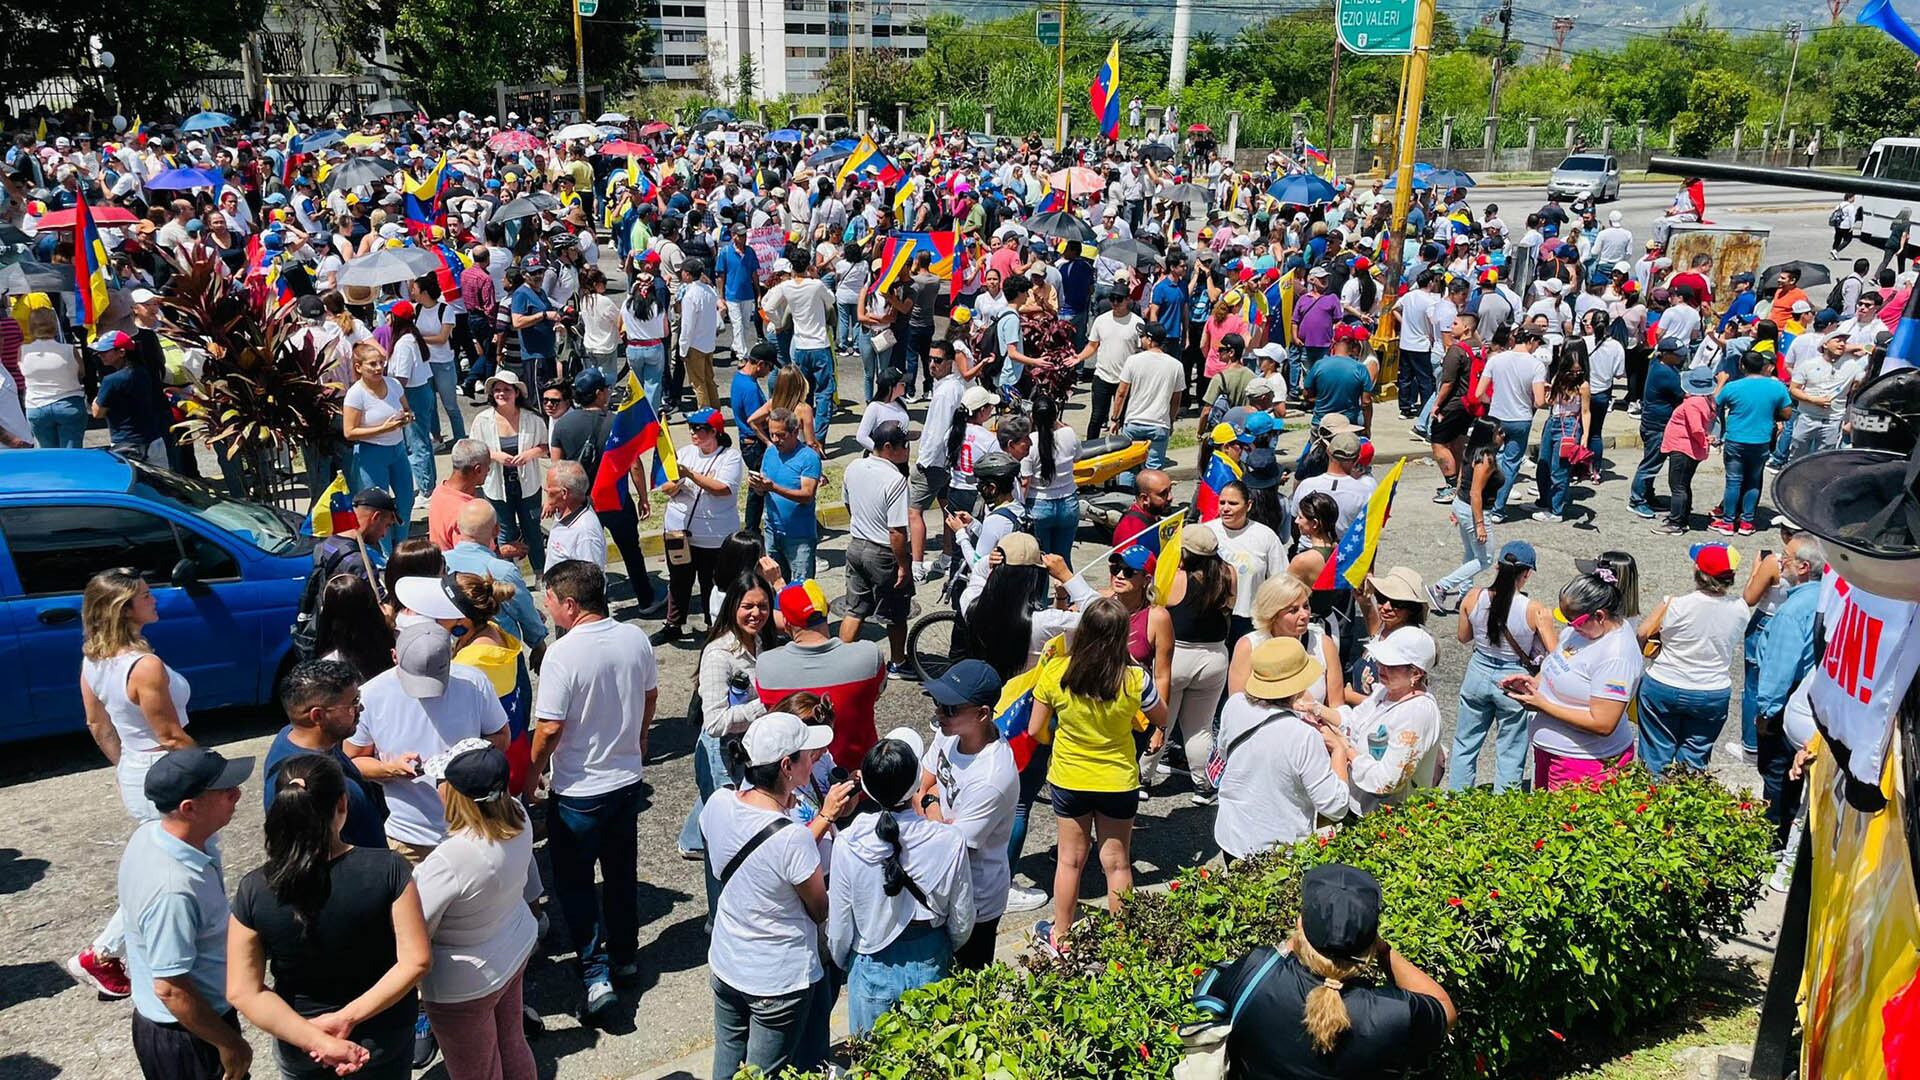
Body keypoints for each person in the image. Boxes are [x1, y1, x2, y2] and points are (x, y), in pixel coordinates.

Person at [227, 752, 430, 1079]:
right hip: (381, 1035)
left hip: (302, 1043)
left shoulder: (254, 888)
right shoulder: (388, 869)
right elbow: (416, 961)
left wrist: (315, 1038)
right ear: (343, 804)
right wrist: (348, 1017)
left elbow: (242, 990)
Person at [528, 559, 659, 1018]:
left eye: (547, 599)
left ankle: (594, 971)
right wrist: (640, 738)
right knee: (621, 876)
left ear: (569, 604)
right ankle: (625, 957)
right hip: (625, 784)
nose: (545, 607)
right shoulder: (635, 638)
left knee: (577, 886)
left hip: (578, 792)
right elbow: (650, 694)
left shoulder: (563, 655)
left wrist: (531, 774)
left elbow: (548, 728)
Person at [1192, 864, 1455, 1077]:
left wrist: (1288, 946)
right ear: (1371, 942)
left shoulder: (1258, 971)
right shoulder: (1393, 1012)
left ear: (1300, 924)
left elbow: (1210, 993)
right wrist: (1385, 952)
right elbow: (1446, 1009)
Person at [71, 568, 197, 1000]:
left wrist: (128, 766)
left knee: (165, 866)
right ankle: (104, 951)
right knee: (185, 865)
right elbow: (170, 735)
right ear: (125, 609)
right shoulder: (143, 665)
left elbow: (96, 723)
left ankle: (115, 951)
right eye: (146, 595)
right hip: (166, 772)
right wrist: (210, 771)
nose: (155, 598)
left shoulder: (94, 659)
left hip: (136, 768)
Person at [702, 712, 844, 1079]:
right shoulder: (791, 838)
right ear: (786, 766)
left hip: (727, 960)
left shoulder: (718, 803)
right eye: (806, 755)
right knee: (765, 1073)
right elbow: (819, 907)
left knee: (728, 1060)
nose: (814, 758)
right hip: (777, 981)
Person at [1029, 597, 1169, 951]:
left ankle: (1061, 935)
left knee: (1070, 860)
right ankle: (1123, 943)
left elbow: (1034, 730)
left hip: (1069, 777)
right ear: (1123, 636)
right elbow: (1162, 717)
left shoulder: (1056, 672)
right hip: (1118, 779)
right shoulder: (1135, 679)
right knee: (1118, 863)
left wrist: (1055, 735)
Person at [117, 748, 256, 1080]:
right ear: (189, 808)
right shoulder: (173, 889)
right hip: (188, 1034)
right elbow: (170, 989)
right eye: (225, 791)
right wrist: (232, 1046)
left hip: (194, 1022)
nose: (237, 794)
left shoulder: (153, 834)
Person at [828, 732, 975, 1034]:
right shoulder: (950, 840)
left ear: (866, 786)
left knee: (871, 1064)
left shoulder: (847, 842)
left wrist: (850, 961)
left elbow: (840, 927)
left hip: (871, 964)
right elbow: (962, 918)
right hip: (931, 956)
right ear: (916, 782)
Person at [413, 741, 542, 1080]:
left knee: (478, 1072)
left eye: (443, 784)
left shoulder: (450, 859)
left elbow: (415, 926)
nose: (438, 789)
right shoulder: (518, 814)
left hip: (465, 983)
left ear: (459, 797)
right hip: (512, 949)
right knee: (513, 1042)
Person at [917, 660, 1020, 971]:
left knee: (967, 992)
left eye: (949, 708)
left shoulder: (992, 777)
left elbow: (953, 848)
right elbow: (921, 785)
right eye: (938, 702)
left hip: (975, 901)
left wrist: (926, 802)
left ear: (982, 714)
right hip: (940, 887)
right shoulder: (949, 731)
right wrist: (931, 805)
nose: (939, 713)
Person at [1502, 569, 1643, 789]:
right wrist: (1534, 684)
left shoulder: (1616, 655)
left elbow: (1603, 723)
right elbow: (1558, 663)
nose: (1570, 627)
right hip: (1554, 752)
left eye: (1575, 621)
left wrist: (1543, 705)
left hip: (1585, 762)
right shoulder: (1582, 631)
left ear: (1599, 616)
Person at [1213, 638, 1350, 862]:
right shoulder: (1303, 735)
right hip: (1280, 849)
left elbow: (1224, 752)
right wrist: (1339, 751)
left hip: (1232, 835)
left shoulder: (1234, 704)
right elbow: (1335, 805)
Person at [683, 575, 777, 871]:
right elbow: (715, 722)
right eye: (748, 606)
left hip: (749, 746)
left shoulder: (762, 640)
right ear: (732, 605)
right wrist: (766, 706)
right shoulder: (718, 654)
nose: (756, 614)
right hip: (721, 752)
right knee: (724, 823)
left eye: (763, 606)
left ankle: (690, 840)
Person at [1633, 543, 1750, 775]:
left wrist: (1648, 653)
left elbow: (1642, 633)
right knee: (1695, 760)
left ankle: (1652, 803)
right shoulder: (1740, 608)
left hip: (1664, 683)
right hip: (1712, 690)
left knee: (1655, 756)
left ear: (1697, 570)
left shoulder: (1674, 604)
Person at [1448, 542, 1554, 793]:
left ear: (1497, 567)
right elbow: (1556, 654)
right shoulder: (1533, 609)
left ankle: (1455, 804)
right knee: (1511, 750)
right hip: (1513, 678)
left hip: (1478, 671)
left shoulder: (1473, 596)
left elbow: (1463, 637)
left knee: (1465, 744)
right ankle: (1502, 810)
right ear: (1527, 573)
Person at [1140, 529, 1236, 802]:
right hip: (1214, 657)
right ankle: (1202, 786)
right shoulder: (1228, 575)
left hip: (1176, 655)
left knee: (1161, 721)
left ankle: (1143, 779)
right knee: (1201, 727)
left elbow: (1153, 605)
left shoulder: (1173, 578)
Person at [1304, 627, 1442, 815]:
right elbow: (1353, 721)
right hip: (1358, 803)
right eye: (1380, 661)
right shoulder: (1385, 690)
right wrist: (1316, 708)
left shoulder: (1417, 713)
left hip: (1387, 819)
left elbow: (1387, 781)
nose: (1380, 668)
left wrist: (1346, 751)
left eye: (1390, 665)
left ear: (1416, 673)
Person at [758, 581, 890, 769]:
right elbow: (876, 694)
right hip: (860, 778)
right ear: (827, 609)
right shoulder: (869, 655)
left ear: (786, 623)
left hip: (799, 783)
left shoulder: (766, 666)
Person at [1749, 533, 1826, 849]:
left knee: (1778, 775)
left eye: (1786, 557)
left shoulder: (1791, 612)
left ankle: (1772, 841)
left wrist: (1766, 712)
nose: (1779, 561)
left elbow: (1779, 669)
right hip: (1811, 699)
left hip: (1785, 705)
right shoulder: (1824, 597)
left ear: (1804, 567)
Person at [263, 660, 390, 849]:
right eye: (353, 702)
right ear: (318, 716)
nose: (360, 709)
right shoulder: (305, 781)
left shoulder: (298, 736)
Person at [654, 407, 745, 646]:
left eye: (699, 429)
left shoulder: (730, 457)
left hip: (714, 536)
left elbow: (722, 489)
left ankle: (712, 624)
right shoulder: (685, 453)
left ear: (714, 431)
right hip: (679, 531)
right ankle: (673, 624)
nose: (693, 433)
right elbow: (666, 485)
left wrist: (690, 476)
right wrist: (676, 485)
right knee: (678, 580)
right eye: (691, 428)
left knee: (712, 583)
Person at [840, 420, 913, 673]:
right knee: (895, 613)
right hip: (883, 553)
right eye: (904, 445)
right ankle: (898, 662)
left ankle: (840, 663)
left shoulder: (854, 467)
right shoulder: (895, 480)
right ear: (888, 447)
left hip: (856, 546)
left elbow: (848, 504)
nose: (908, 450)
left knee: (855, 610)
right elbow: (896, 531)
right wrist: (903, 564)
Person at [443, 501, 548, 655]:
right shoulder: (503, 571)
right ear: (496, 530)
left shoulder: (441, 563)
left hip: (457, 650)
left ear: (457, 527)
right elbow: (526, 613)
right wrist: (538, 643)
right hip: (500, 652)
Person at [471, 371, 549, 570]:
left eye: (507, 389)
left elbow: (546, 446)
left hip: (528, 485)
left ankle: (540, 572)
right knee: (504, 532)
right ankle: (508, 573)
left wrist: (530, 454)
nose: (501, 394)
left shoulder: (532, 419)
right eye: (497, 390)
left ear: (516, 393)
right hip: (497, 486)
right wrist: (495, 456)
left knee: (532, 530)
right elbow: (472, 449)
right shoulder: (482, 420)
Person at [342, 344, 416, 542]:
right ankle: (384, 553)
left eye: (381, 363)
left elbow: (406, 408)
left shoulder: (393, 384)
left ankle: (402, 544)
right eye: (372, 364)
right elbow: (349, 432)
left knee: (406, 499)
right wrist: (384, 429)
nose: (378, 368)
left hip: (397, 450)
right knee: (377, 507)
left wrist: (408, 417)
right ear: (359, 367)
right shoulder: (356, 394)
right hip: (371, 454)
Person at [1713, 349, 1792, 536]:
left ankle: (1728, 522)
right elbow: (1787, 413)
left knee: (1733, 481)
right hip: (1762, 440)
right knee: (1753, 481)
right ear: (1764, 366)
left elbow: (1714, 404)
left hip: (1736, 439)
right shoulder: (1777, 387)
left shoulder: (1733, 387)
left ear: (1742, 366)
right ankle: (1747, 522)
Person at [1478, 327, 1547, 521]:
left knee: (1492, 460)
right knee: (1510, 464)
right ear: (1531, 340)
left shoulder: (1496, 359)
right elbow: (1539, 401)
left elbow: (1479, 393)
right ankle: (1497, 509)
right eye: (1538, 342)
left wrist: (1493, 402)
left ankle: (1485, 502)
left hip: (1497, 417)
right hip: (1520, 418)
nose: (1537, 347)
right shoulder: (1536, 365)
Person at [1207, 480, 1288, 644]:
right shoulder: (1206, 532)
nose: (1225, 508)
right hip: (1212, 619)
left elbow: (1280, 581)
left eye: (1233, 503)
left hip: (1250, 620)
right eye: (1222, 502)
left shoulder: (1265, 536)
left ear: (1248, 505)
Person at [753, 407, 824, 582]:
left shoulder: (808, 458)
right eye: (772, 434)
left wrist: (773, 488)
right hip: (772, 532)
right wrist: (758, 487)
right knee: (775, 584)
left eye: (781, 435)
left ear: (795, 432)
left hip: (800, 537)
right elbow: (764, 487)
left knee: (802, 588)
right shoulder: (770, 452)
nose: (776, 440)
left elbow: (807, 495)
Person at [1109, 323, 1185, 473]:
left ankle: (1126, 494)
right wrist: (1171, 419)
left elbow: (1121, 393)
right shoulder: (1176, 365)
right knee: (1153, 470)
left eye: (1142, 336)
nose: (1141, 340)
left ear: (1149, 340)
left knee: (1128, 468)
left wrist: (1115, 419)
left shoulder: (1133, 361)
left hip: (1134, 422)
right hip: (1159, 424)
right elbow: (1176, 399)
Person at [1654, 367, 1720, 534]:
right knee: (1683, 484)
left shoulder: (1693, 403)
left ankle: (1677, 522)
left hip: (1683, 448)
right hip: (1688, 449)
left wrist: (1703, 440)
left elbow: (1696, 429)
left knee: (1677, 486)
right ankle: (1681, 515)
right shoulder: (1706, 400)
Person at [1530, 340, 1590, 523]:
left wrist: (1585, 436)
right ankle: (1544, 501)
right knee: (1543, 464)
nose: (1575, 374)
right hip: (1553, 422)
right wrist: (1548, 391)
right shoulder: (1558, 378)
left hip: (1570, 426)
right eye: (1571, 371)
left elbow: (1586, 412)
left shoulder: (1583, 386)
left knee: (1559, 470)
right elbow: (1549, 403)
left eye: (1578, 371)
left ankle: (1556, 510)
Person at [90, 330, 168, 466]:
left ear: (121, 352)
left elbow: (97, 413)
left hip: (126, 444)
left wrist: (97, 398)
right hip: (153, 440)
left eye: (105, 352)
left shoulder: (111, 380)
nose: (99, 355)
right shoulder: (143, 372)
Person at [1627, 345, 1687, 519]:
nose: (1680, 358)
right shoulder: (1665, 373)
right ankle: (1637, 500)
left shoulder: (1657, 363)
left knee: (1653, 461)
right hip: (1657, 426)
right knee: (1650, 464)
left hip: (1653, 423)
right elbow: (1682, 393)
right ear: (1666, 355)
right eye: (1677, 355)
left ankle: (1647, 494)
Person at [1022, 394, 1083, 557]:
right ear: (1055, 416)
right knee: (1063, 561)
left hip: (1039, 506)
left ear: (1032, 417)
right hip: (1068, 504)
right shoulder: (1069, 434)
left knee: (1040, 561)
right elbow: (1078, 457)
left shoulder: (1029, 443)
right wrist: (1058, 422)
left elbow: (1025, 482)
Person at [20, 306, 85, 447]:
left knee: (47, 455)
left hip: (37, 405)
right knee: (72, 457)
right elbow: (82, 373)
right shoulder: (69, 350)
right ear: (55, 325)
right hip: (68, 402)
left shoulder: (23, 351)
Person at [426, 439, 491, 551]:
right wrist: (503, 552)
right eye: (488, 466)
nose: (489, 470)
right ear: (478, 469)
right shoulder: (466, 513)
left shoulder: (439, 491)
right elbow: (469, 558)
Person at [542, 460, 606, 570]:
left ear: (564, 493)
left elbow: (591, 580)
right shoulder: (563, 511)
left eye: (549, 486)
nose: (546, 489)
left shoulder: (585, 533)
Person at [1112, 468, 1173, 550]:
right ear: (1144, 499)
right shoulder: (1131, 527)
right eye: (1163, 494)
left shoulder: (1152, 515)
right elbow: (1131, 561)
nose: (1170, 497)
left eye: (1170, 490)